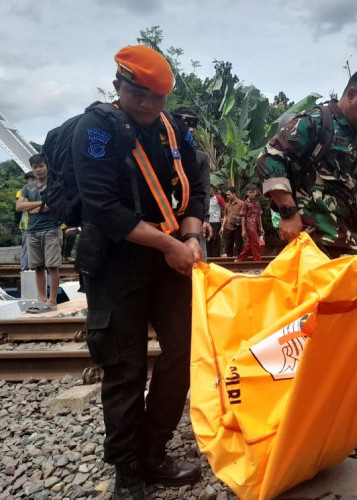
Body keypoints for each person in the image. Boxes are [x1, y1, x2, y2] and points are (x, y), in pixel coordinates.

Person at [71, 45, 206, 499]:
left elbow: (198, 187)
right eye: (138, 93)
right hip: (117, 264)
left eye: (157, 97)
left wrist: (190, 236)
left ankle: (155, 453)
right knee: (125, 369)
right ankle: (127, 472)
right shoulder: (97, 130)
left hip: (169, 261)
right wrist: (170, 244)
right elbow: (102, 206)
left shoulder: (176, 131)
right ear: (118, 86)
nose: (148, 105)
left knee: (182, 356)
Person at [256, 67, 357, 257]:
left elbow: (355, 184)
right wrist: (288, 212)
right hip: (315, 245)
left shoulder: (356, 135)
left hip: (350, 244)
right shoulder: (315, 121)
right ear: (351, 95)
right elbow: (268, 157)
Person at [15, 154, 62, 311]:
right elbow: (19, 207)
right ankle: (42, 299)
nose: (38, 170)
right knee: (37, 266)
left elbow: (51, 205)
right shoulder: (28, 187)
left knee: (52, 265)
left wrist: (31, 207)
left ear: (46, 166)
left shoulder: (54, 185)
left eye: (41, 166)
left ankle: (52, 300)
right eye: (35, 167)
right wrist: (41, 203)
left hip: (51, 229)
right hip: (32, 231)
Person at [172, 107, 212, 257]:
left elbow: (203, 189)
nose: (190, 128)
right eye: (184, 122)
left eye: (192, 124)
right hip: (167, 217)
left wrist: (205, 218)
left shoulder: (200, 157)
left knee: (197, 260)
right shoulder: (161, 150)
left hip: (194, 216)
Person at [235, 184, 264, 261]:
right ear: (247, 193)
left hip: (256, 226)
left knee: (251, 244)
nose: (252, 193)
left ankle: (239, 259)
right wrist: (243, 230)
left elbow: (259, 215)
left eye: (253, 192)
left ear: (256, 192)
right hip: (249, 226)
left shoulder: (257, 203)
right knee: (255, 244)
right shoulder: (245, 203)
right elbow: (243, 216)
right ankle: (258, 261)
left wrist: (261, 227)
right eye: (250, 192)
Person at [16, 171, 36, 271]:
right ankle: (25, 268)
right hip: (26, 224)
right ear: (26, 180)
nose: (34, 182)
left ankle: (34, 268)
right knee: (26, 248)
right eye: (32, 180)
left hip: (37, 223)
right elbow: (23, 206)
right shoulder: (21, 192)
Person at [220, 186, 243, 257]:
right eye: (227, 195)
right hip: (228, 227)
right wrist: (222, 227)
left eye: (229, 194)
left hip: (238, 227)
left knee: (239, 246)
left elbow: (243, 216)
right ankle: (229, 261)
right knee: (228, 246)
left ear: (234, 193)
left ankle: (240, 262)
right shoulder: (227, 205)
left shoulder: (241, 203)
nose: (227, 196)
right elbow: (225, 216)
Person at [206, 186, 226, 257]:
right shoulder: (206, 199)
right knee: (208, 239)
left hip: (216, 222)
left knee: (215, 239)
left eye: (209, 189)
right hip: (207, 222)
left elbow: (225, 208)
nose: (208, 191)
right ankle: (209, 256)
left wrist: (223, 217)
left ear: (212, 189)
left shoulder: (218, 198)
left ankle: (216, 257)